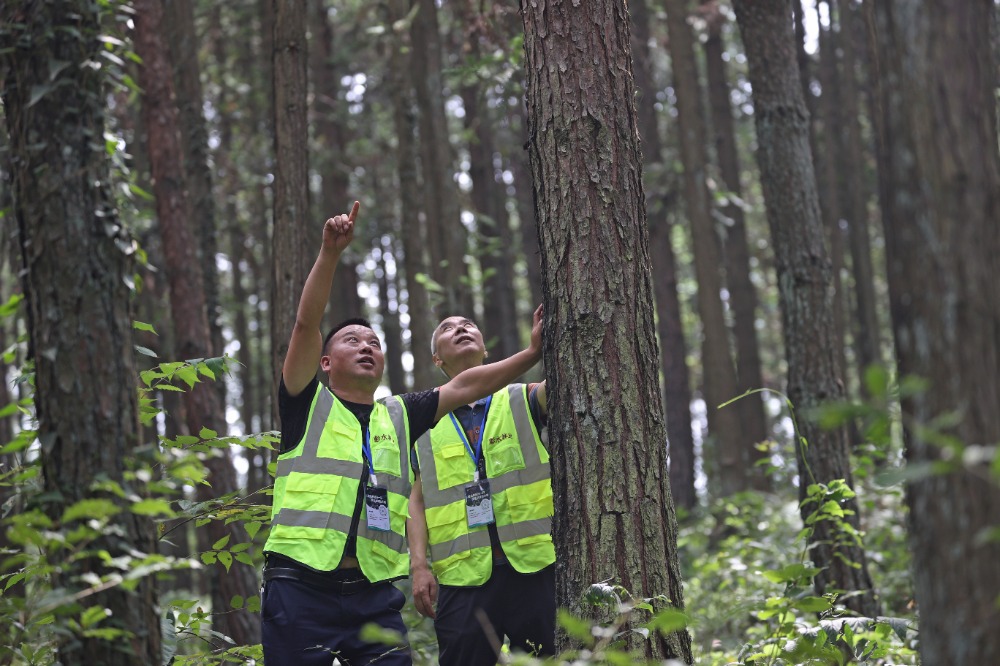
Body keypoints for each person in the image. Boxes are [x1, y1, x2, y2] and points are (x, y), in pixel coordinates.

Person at [260, 201, 543, 666]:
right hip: (299, 585)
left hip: (373, 593)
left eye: (374, 343)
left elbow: (464, 384)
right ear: (325, 363)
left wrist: (530, 354)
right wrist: (330, 253)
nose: (367, 347)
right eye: (353, 341)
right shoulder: (306, 402)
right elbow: (306, 324)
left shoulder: (398, 415)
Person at [407, 315, 555, 665]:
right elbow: (416, 498)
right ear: (437, 360)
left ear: (485, 348)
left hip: (533, 569)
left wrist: (545, 339)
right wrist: (419, 566)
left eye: (469, 324)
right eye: (446, 328)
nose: (460, 328)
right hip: (463, 578)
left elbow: (570, 379)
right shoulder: (421, 421)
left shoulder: (523, 397)